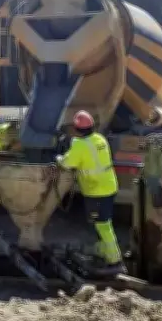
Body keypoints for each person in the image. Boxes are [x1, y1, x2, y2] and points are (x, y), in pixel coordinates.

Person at [56, 110, 126, 275]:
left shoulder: (79, 145)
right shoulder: (100, 139)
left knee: (103, 226)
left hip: (96, 191)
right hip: (109, 186)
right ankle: (103, 253)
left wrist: (58, 158)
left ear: (76, 129)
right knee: (102, 223)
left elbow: (67, 163)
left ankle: (115, 261)